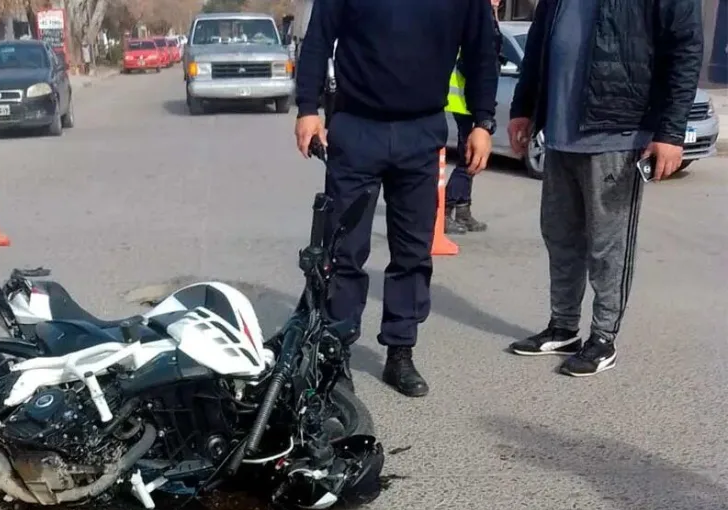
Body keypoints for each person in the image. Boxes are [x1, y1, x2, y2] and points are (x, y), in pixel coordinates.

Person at [294, 0, 499, 397]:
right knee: (344, 251)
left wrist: (483, 122)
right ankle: (335, 355)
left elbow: (481, 53)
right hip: (356, 129)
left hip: (420, 133)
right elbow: (319, 37)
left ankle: (400, 352)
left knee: (412, 252)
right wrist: (308, 107)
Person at [506, 0, 702, 377]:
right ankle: (563, 327)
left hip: (617, 132)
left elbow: (685, 48)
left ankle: (603, 337)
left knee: (607, 244)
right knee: (560, 235)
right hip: (560, 133)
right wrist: (523, 107)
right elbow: (538, 46)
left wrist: (670, 133)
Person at [444, 0, 504, 234]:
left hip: (474, 101)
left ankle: (463, 209)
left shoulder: (488, 16)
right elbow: (475, 58)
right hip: (464, 100)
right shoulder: (472, 17)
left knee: (471, 158)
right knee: (467, 157)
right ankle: (446, 206)